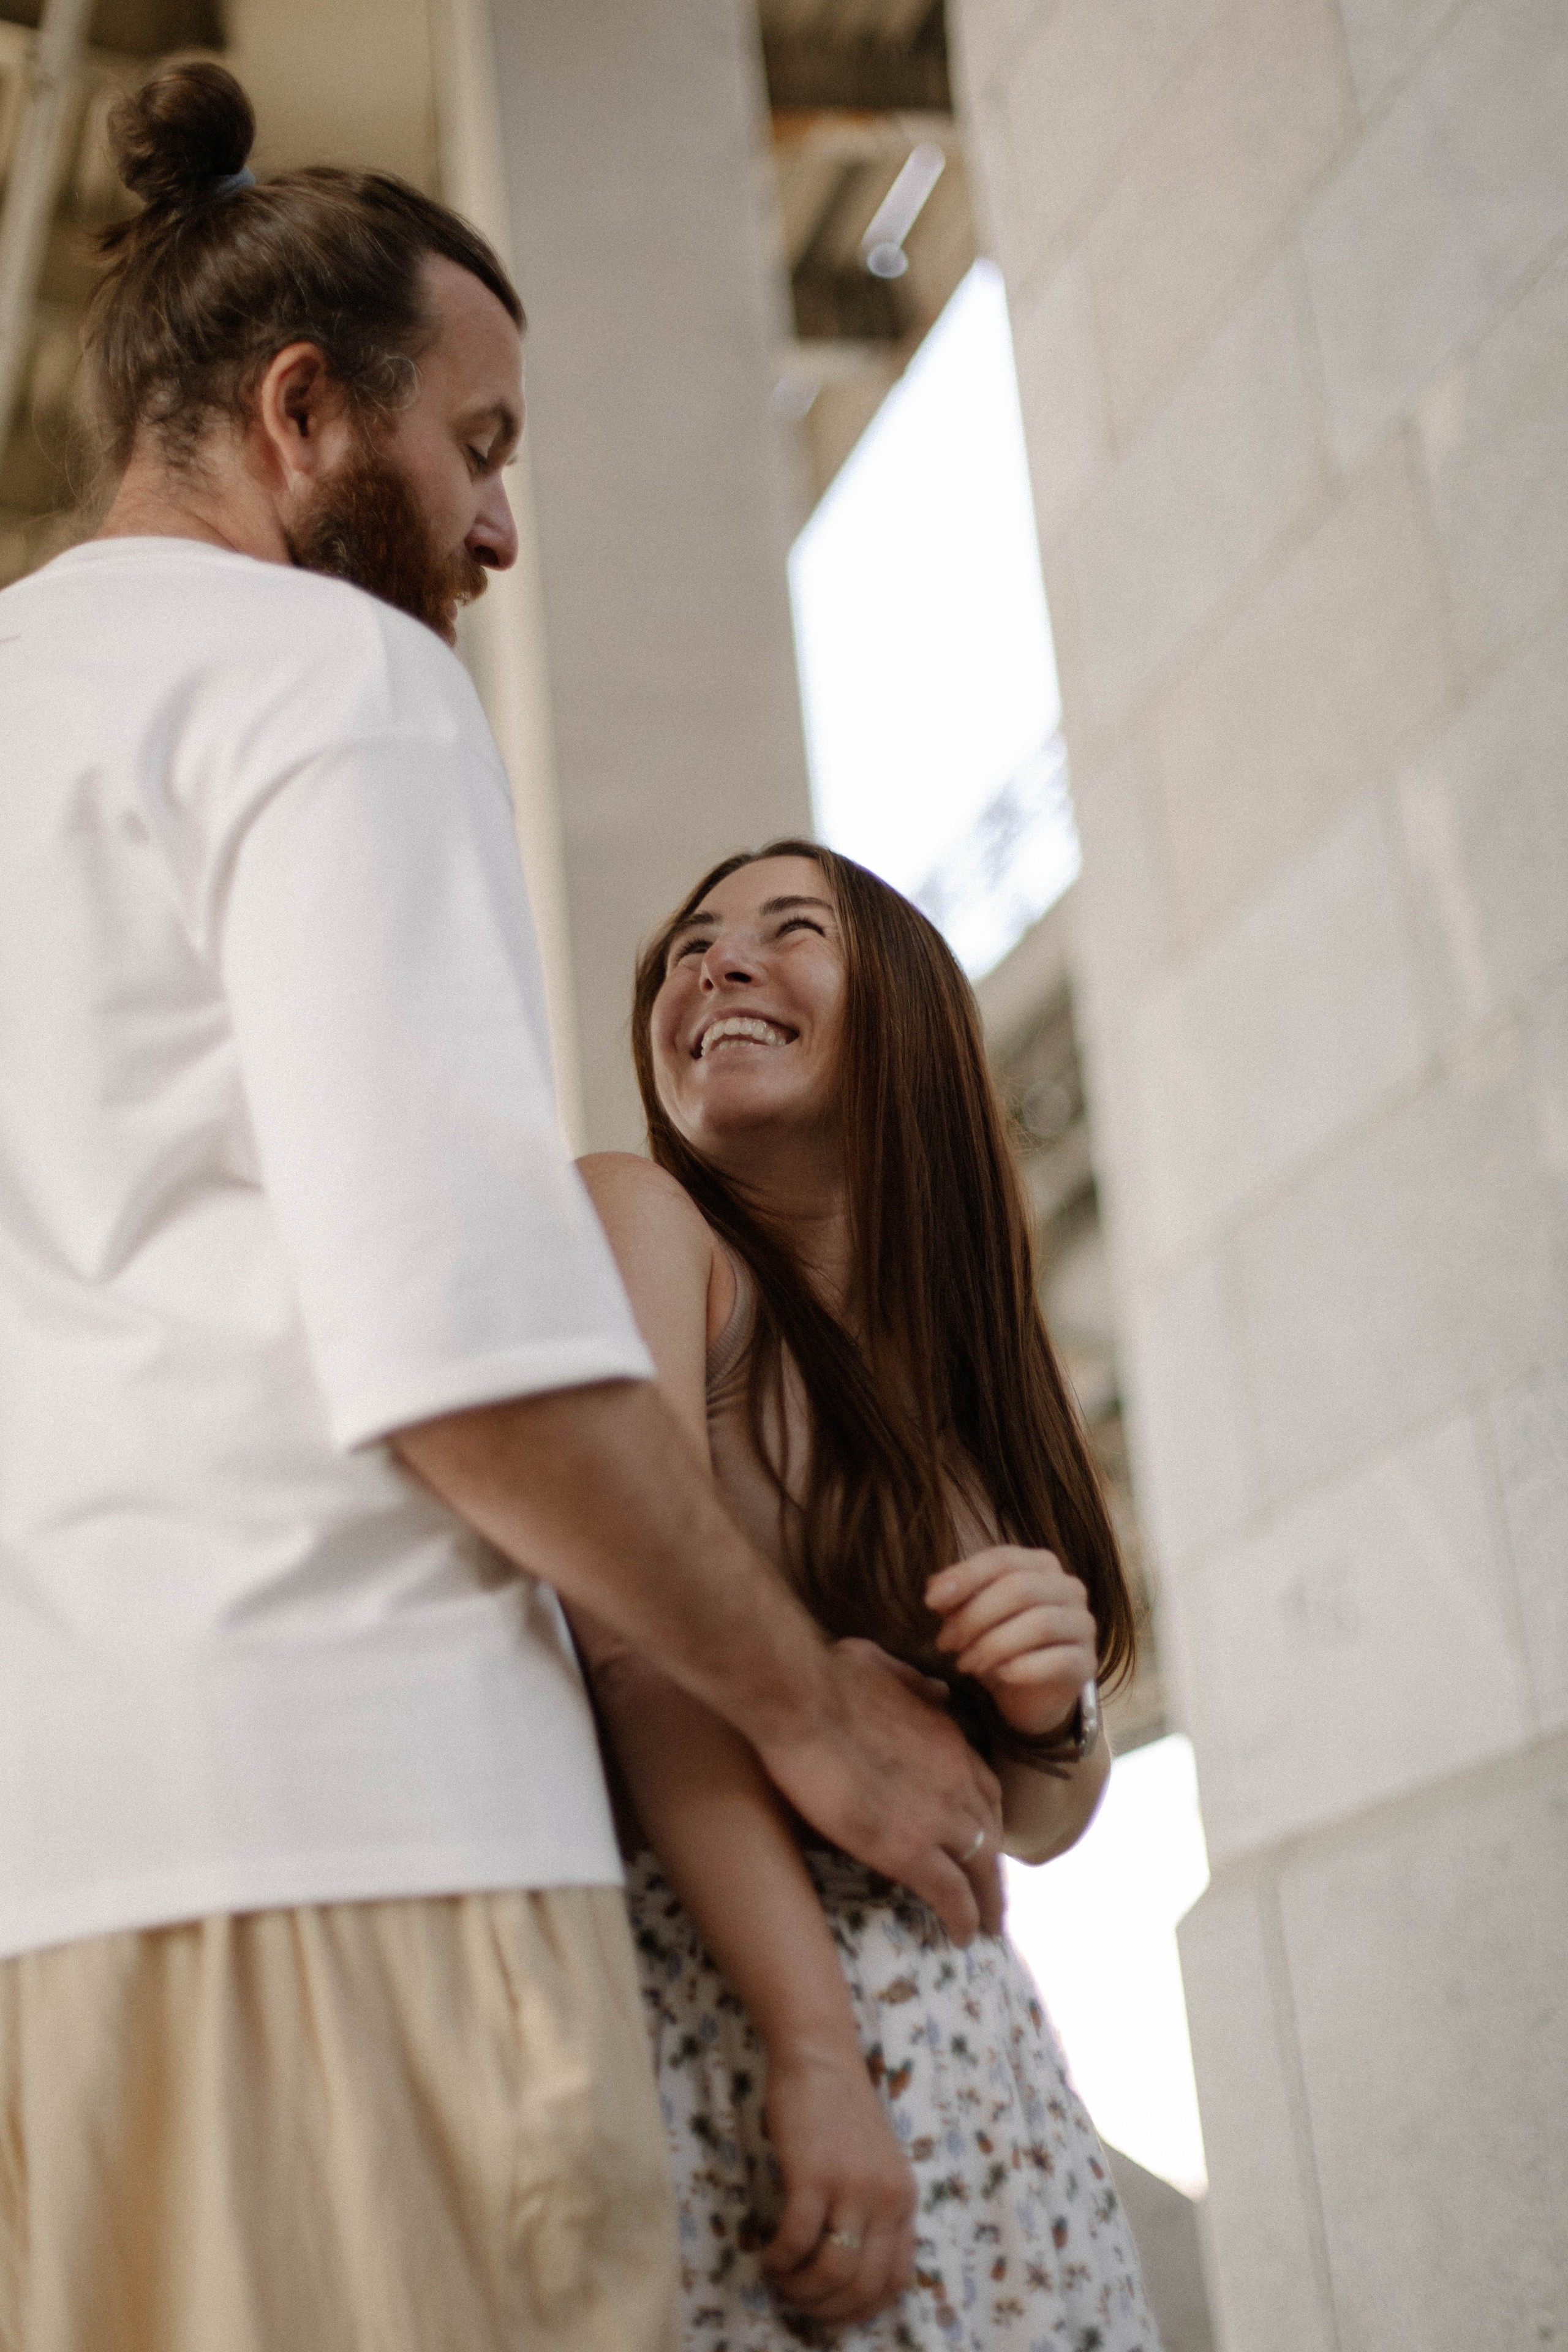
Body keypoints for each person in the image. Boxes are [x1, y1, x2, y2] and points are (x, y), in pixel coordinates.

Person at [0, 67, 1006, 2352]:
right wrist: (825, 1724)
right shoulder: (320, 672)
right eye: (481, 448)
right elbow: (466, 1351)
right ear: (297, 415)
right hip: (357, 1858)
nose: (497, 532)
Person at [576, 843, 1162, 2351]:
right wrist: (815, 2051)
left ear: (901, 1016)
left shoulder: (971, 1393)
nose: (716, 963)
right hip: (735, 2029)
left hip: (986, 2085)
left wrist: (1050, 1703)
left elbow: (1025, 1816)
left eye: (789, 931)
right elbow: (630, 1642)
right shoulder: (647, 1227)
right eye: (689, 946)